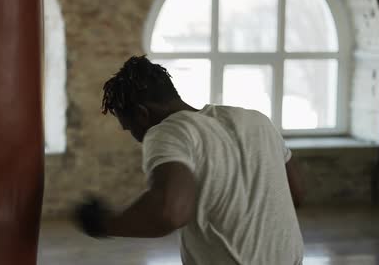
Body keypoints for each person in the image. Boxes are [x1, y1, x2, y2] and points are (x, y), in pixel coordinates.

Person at [74, 56, 305, 265]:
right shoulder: (256, 120)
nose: (136, 138)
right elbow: (296, 193)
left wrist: (104, 224)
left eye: (130, 128)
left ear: (142, 114)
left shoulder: (168, 131)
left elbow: (168, 213)